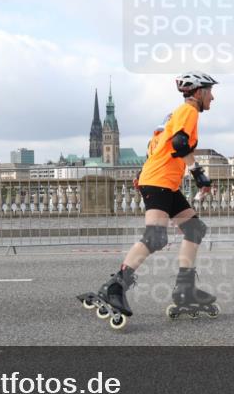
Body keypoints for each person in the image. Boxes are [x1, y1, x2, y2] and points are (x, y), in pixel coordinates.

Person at [79, 70, 219, 329]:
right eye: (210, 91)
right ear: (198, 92)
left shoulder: (171, 116)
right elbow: (179, 143)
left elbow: (155, 144)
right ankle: (115, 286)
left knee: (195, 228)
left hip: (160, 180)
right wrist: (199, 174)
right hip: (160, 181)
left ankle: (185, 290)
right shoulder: (188, 111)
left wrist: (142, 172)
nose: (213, 96)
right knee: (156, 237)